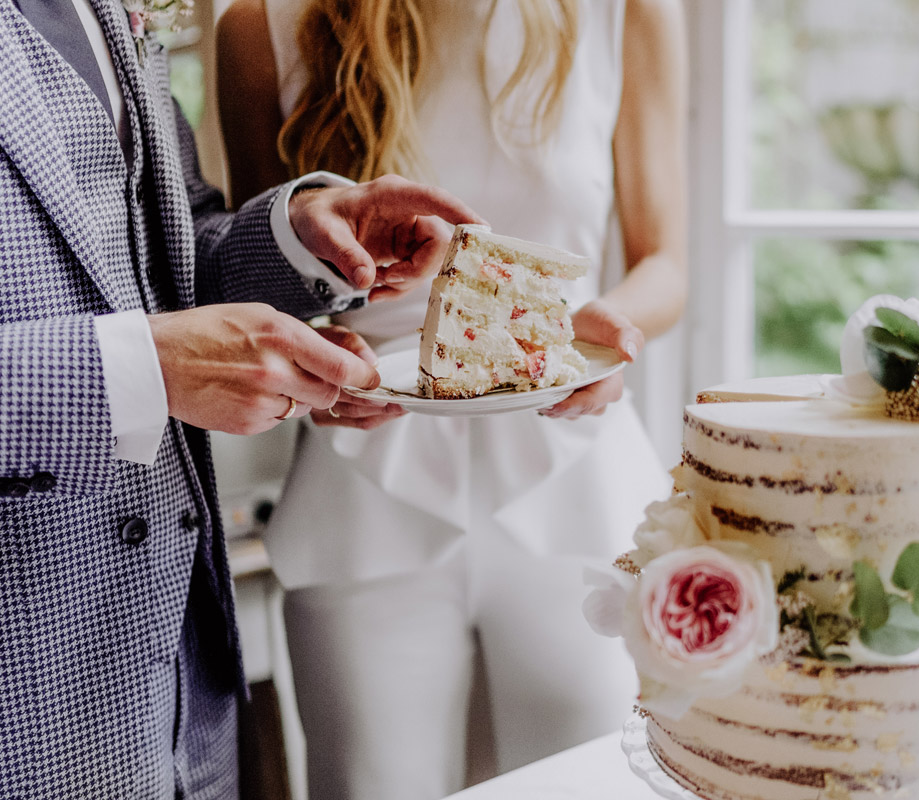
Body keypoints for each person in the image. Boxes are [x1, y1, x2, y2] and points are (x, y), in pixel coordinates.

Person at [0, 0, 484, 796]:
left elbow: (159, 248)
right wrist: (137, 372)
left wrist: (298, 238)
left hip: (177, 711)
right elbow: (144, 347)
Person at [216, 0, 687, 797]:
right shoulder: (259, 27)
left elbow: (666, 260)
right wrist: (323, 356)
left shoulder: (627, 11)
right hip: (360, 489)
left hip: (575, 479)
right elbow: (254, 275)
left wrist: (613, 332)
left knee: (592, 784)